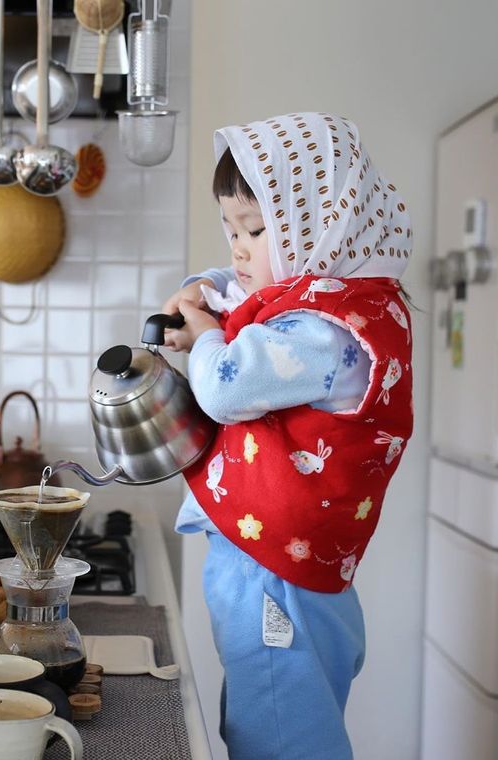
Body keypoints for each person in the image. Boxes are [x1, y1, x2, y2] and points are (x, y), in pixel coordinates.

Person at [162, 112, 414, 760]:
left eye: (254, 229)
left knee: (277, 740)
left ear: (319, 225)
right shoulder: (339, 302)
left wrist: (199, 338)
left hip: (272, 578)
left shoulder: (320, 333)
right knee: (274, 723)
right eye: (229, 229)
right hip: (282, 569)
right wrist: (209, 287)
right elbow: (243, 293)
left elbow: (223, 385)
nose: (238, 248)